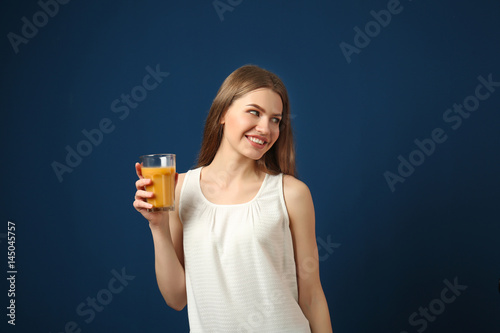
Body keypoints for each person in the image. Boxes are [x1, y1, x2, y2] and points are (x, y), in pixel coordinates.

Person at [134, 65, 333, 332]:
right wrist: (157, 226)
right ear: (223, 113)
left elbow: (311, 297)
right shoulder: (180, 189)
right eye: (255, 112)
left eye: (276, 119)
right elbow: (177, 298)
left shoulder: (291, 194)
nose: (266, 128)